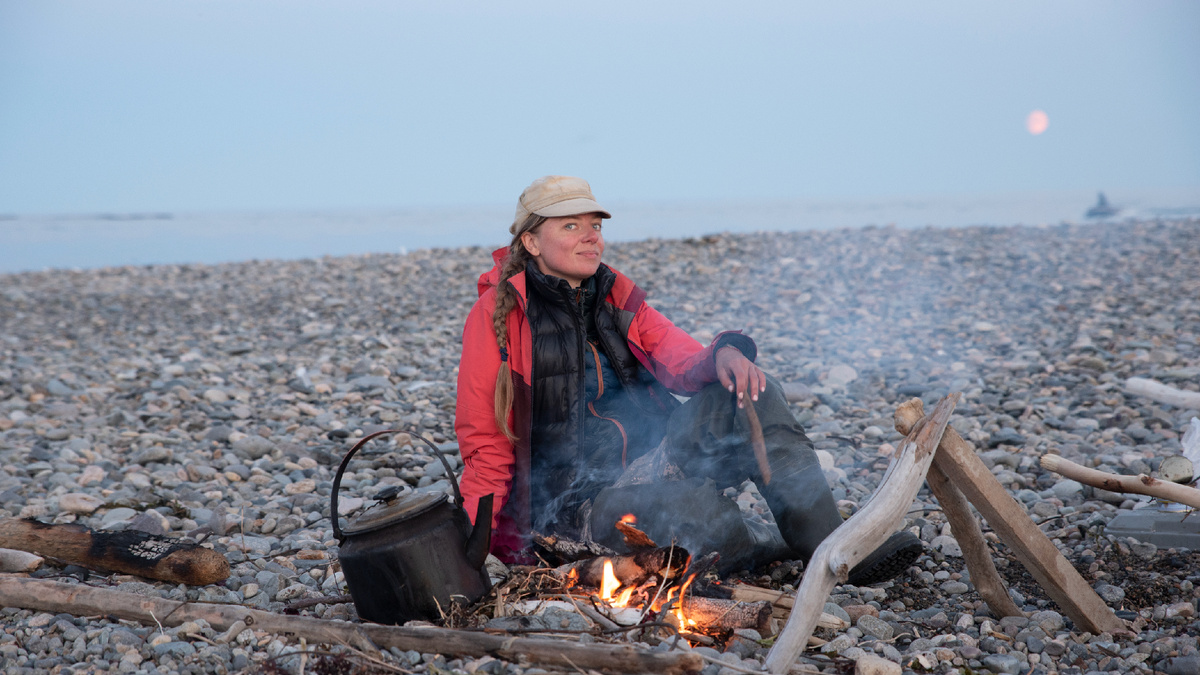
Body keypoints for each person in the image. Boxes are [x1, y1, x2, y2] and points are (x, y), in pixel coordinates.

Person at [455, 176, 921, 584]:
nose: (591, 238)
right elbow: (484, 442)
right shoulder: (499, 317)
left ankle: (834, 546)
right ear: (532, 242)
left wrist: (726, 353)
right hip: (580, 508)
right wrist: (479, 547)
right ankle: (776, 542)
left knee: (752, 391)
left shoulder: (613, 294)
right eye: (570, 226)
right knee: (701, 519)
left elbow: (679, 358)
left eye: (595, 225)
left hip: (651, 461)